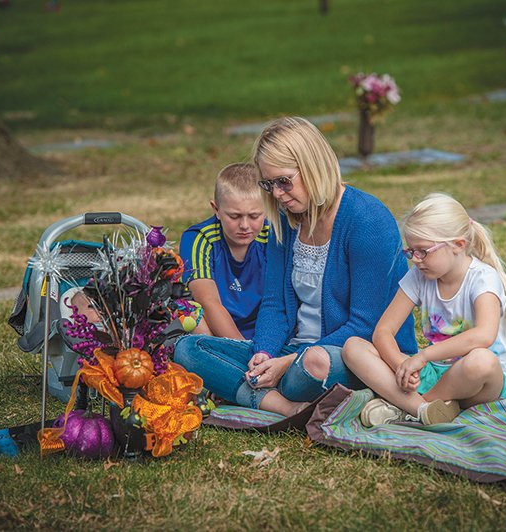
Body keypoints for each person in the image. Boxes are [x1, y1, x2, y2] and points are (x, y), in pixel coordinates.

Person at [174, 116, 417, 416]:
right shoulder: (285, 220)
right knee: (188, 349)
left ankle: (263, 393)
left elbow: (365, 325)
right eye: (269, 184)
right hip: (293, 352)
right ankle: (290, 406)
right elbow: (275, 304)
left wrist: (288, 363)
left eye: (284, 181)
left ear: (313, 167)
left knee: (311, 366)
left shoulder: (368, 219)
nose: (276, 194)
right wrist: (264, 353)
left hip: (354, 354)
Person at [342, 192, 506, 426]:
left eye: (423, 251)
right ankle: (426, 409)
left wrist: (422, 357)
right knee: (353, 347)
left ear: (458, 245)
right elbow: (383, 331)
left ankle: (408, 406)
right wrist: (402, 368)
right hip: (433, 373)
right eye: (411, 251)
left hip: (480, 382)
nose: (416, 259)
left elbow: (483, 336)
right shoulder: (419, 276)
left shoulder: (483, 279)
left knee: (481, 360)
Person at [179, 162, 269, 340]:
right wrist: (242, 349)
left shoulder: (272, 236)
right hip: (215, 330)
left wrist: (264, 347)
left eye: (254, 216)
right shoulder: (199, 238)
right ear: (217, 210)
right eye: (234, 216)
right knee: (193, 318)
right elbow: (208, 303)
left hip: (265, 330)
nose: (244, 225)